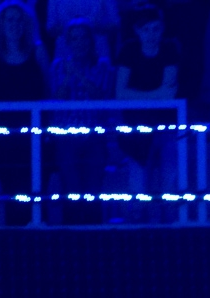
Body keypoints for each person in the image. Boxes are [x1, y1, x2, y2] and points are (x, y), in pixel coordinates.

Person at [0, 1, 49, 227]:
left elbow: (48, 90)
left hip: (34, 133)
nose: (15, 25)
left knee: (37, 191)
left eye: (19, 20)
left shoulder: (38, 51)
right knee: (11, 194)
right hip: (6, 137)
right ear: (1, 24)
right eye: (10, 20)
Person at [115, 4, 179, 216]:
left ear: (162, 29)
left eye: (156, 29)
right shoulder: (128, 50)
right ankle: (139, 237)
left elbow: (168, 93)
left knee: (170, 187)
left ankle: (170, 234)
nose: (151, 35)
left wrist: (138, 95)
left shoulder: (169, 48)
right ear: (137, 30)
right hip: (136, 130)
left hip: (166, 127)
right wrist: (155, 95)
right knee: (138, 191)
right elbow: (120, 93)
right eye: (146, 29)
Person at [50, 18, 114, 225]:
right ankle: (70, 239)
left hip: (94, 136)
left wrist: (78, 74)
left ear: (91, 41)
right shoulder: (58, 66)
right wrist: (69, 77)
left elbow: (100, 97)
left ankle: (94, 238)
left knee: (93, 190)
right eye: (75, 38)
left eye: (84, 38)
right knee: (71, 188)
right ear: (68, 42)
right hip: (66, 137)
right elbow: (56, 99)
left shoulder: (102, 65)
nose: (80, 43)